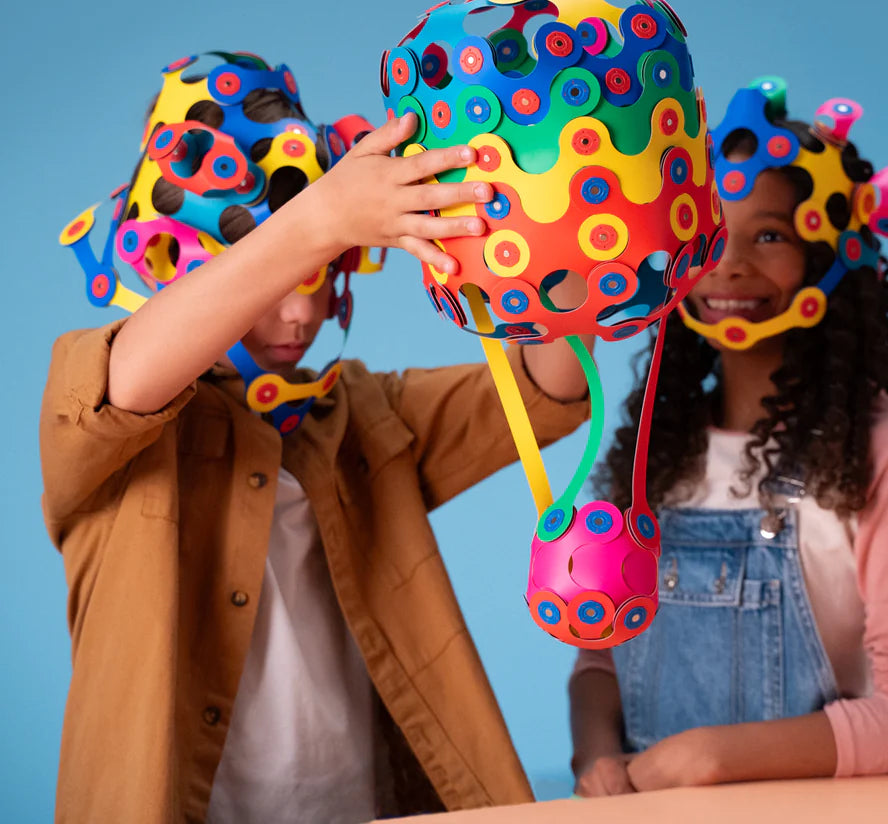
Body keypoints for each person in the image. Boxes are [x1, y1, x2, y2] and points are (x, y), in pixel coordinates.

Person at [41, 52, 591, 823]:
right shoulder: (101, 397)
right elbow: (127, 385)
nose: (301, 315)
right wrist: (319, 220)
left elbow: (551, 388)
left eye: (322, 273)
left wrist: (560, 210)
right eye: (277, 281)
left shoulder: (361, 413)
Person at [568, 77, 888, 795]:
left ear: (831, 254)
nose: (730, 263)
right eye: (710, 233)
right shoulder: (652, 453)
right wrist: (595, 759)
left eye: (771, 235)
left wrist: (711, 759)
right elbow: (601, 662)